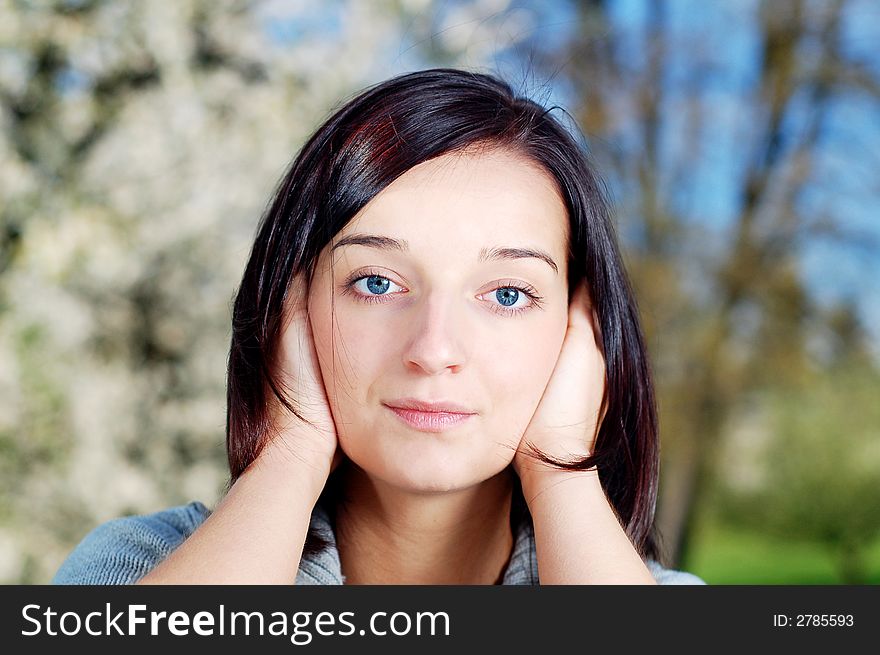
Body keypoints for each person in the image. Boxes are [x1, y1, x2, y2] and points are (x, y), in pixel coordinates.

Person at [53, 68, 706, 585]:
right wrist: (289, 456)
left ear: (579, 336)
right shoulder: (136, 566)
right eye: (376, 282)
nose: (434, 349)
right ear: (293, 310)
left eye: (507, 293)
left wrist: (563, 472)